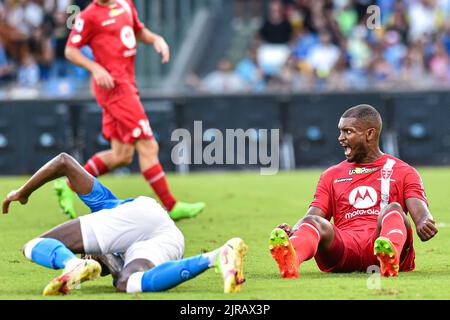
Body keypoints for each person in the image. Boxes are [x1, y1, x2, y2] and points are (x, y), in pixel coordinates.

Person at [2, 153, 248, 295]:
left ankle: (71, 263)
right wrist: (104, 260)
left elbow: (64, 161)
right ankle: (217, 256)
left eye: (90, 258)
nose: (93, 256)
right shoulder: (123, 255)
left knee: (35, 244)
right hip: (169, 235)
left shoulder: (103, 202)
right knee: (128, 283)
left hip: (139, 213)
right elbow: (114, 266)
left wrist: (23, 192)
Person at [59, 0, 205, 220]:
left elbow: (138, 31)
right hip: (114, 89)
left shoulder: (125, 3)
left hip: (127, 84)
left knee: (122, 155)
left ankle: (68, 183)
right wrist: (96, 68)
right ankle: (171, 206)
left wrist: (156, 38)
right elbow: (70, 50)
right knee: (148, 144)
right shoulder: (89, 16)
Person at [268, 104, 438, 278]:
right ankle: (291, 258)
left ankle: (389, 253)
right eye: (340, 131)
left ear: (370, 134)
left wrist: (424, 223)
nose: (341, 138)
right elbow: (313, 215)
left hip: (378, 239)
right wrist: (293, 232)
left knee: (393, 209)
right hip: (344, 249)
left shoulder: (403, 171)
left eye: (348, 131)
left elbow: (421, 213)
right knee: (314, 221)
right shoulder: (331, 175)